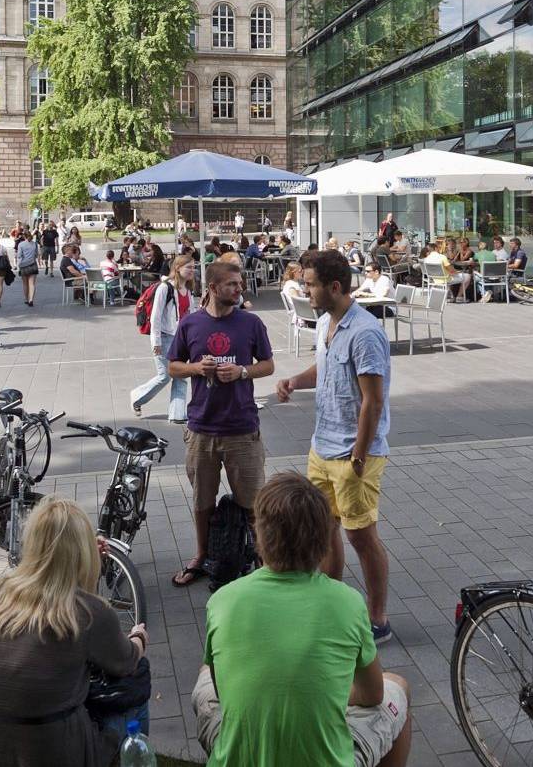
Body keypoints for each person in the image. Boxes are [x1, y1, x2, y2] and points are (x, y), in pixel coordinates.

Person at [193, 472, 412, 767]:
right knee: (398, 684)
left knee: (207, 669)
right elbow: (373, 694)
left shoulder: (222, 600)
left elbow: (224, 694)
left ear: (259, 535)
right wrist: (326, 693)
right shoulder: (348, 602)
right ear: (324, 542)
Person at [276, 249, 396, 642]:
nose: (305, 291)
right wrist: (296, 380)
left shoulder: (365, 333)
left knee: (361, 536)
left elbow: (372, 401)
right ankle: (332, 608)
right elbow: (325, 369)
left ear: (335, 286)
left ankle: (377, 618)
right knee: (324, 530)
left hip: (354, 454)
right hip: (321, 447)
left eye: (310, 285)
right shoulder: (326, 321)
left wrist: (359, 456)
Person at [0, 497, 146, 766]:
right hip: (56, 750)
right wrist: (138, 637)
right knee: (138, 678)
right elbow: (125, 662)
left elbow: (55, 597)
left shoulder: (1, 594)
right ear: (81, 552)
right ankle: (135, 754)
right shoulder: (90, 613)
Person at [166, 261, 275, 588]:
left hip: (242, 428)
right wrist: (197, 368)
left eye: (240, 283)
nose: (239, 289)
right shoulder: (190, 323)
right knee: (203, 502)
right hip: (202, 429)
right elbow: (173, 366)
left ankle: (263, 559)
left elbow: (268, 365)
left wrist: (242, 371)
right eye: (232, 284)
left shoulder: (251, 323)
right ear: (213, 288)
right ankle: (202, 555)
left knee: (254, 503)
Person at [130, 255, 195, 423]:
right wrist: (156, 342)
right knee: (164, 376)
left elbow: (191, 315)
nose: (192, 271)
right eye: (189, 267)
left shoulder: (188, 290)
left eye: (193, 267)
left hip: (181, 339)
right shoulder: (165, 288)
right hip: (165, 337)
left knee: (180, 375)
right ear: (178, 268)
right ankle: (137, 397)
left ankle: (177, 414)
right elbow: (155, 317)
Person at [13, 228, 40, 306]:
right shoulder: (35, 244)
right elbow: (36, 254)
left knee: (25, 284)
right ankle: (31, 299)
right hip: (33, 264)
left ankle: (26, 299)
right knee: (32, 284)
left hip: (24, 265)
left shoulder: (21, 244)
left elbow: (19, 256)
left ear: (24, 236)